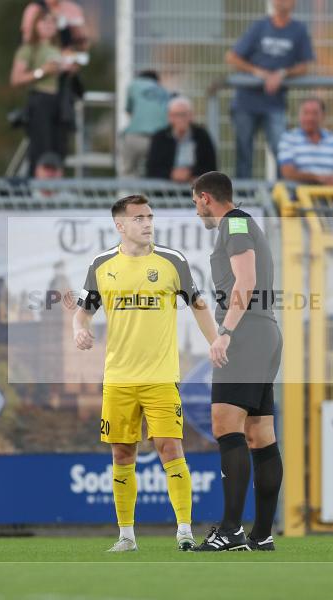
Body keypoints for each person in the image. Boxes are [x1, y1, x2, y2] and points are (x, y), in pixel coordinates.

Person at [72, 195, 218, 552]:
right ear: (120, 225)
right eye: (138, 218)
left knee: (171, 447)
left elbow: (198, 305)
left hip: (161, 376)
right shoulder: (102, 264)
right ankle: (126, 537)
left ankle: (184, 530)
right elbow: (82, 312)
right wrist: (79, 329)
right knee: (122, 455)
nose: (147, 223)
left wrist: (216, 342)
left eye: (150, 216)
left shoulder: (172, 261)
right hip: (118, 379)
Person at [190, 172, 283, 552]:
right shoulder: (243, 222)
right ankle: (261, 534)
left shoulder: (235, 223)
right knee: (260, 434)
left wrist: (224, 333)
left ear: (206, 197)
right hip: (265, 332)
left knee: (225, 425)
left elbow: (245, 282)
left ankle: (230, 531)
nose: (197, 211)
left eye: (196, 202)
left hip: (245, 333)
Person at [225, 0, 314, 179]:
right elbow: (232, 57)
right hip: (246, 102)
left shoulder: (299, 30)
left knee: (281, 151)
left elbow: (305, 66)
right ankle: (244, 198)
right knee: (244, 152)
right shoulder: (260, 26)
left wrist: (282, 74)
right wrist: (258, 72)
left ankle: (280, 198)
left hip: (274, 103)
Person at [10, 6, 78, 177]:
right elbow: (16, 79)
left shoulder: (58, 49)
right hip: (41, 100)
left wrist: (69, 68)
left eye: (52, 22)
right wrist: (42, 71)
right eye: (44, 21)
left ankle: (54, 190)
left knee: (59, 151)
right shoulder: (29, 48)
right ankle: (36, 190)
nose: (49, 25)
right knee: (41, 151)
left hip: (60, 102)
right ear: (36, 25)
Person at [277, 98, 333, 185]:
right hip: (299, 194)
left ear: (323, 116)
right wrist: (317, 178)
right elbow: (287, 173)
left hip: (330, 193)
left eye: (315, 113)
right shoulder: (289, 138)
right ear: (299, 115)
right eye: (306, 113)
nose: (310, 118)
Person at [145, 97, 217, 182]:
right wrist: (171, 174)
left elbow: (211, 167)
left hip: (196, 190)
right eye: (176, 115)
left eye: (184, 114)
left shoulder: (202, 136)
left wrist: (190, 173)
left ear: (191, 116)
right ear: (170, 117)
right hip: (164, 191)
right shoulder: (160, 138)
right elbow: (151, 169)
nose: (180, 119)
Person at [119, 70, 171, 178]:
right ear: (157, 81)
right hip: (158, 141)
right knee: (153, 173)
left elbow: (129, 111)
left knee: (128, 172)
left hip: (135, 136)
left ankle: (127, 193)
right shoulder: (165, 92)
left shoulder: (134, 85)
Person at [22, 0, 88, 51]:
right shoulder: (34, 9)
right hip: (42, 59)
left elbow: (84, 43)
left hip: (68, 59)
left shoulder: (73, 9)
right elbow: (27, 38)